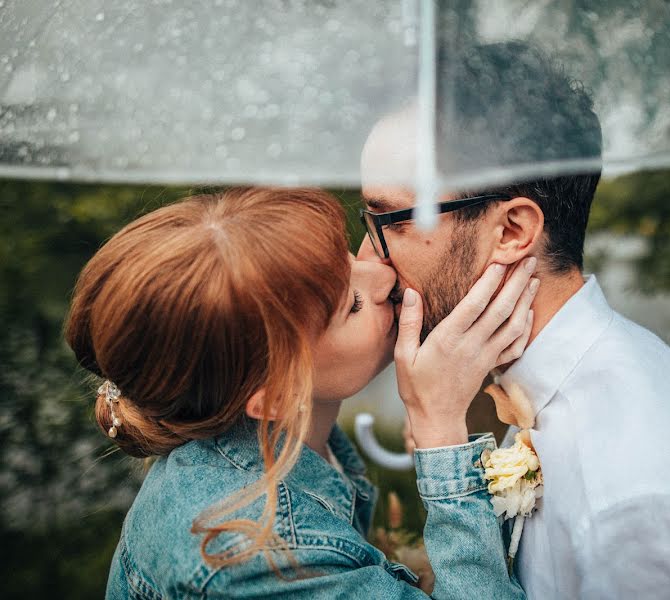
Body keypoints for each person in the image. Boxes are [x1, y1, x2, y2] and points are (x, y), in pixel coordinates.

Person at [358, 41, 670, 598]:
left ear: (511, 231)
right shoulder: (546, 387)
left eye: (390, 220)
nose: (368, 258)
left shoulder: (648, 503)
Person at [64, 187, 535, 599]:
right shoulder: (250, 556)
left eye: (348, 262)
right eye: (349, 304)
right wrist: (440, 427)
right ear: (271, 395)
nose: (384, 275)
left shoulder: (294, 441)